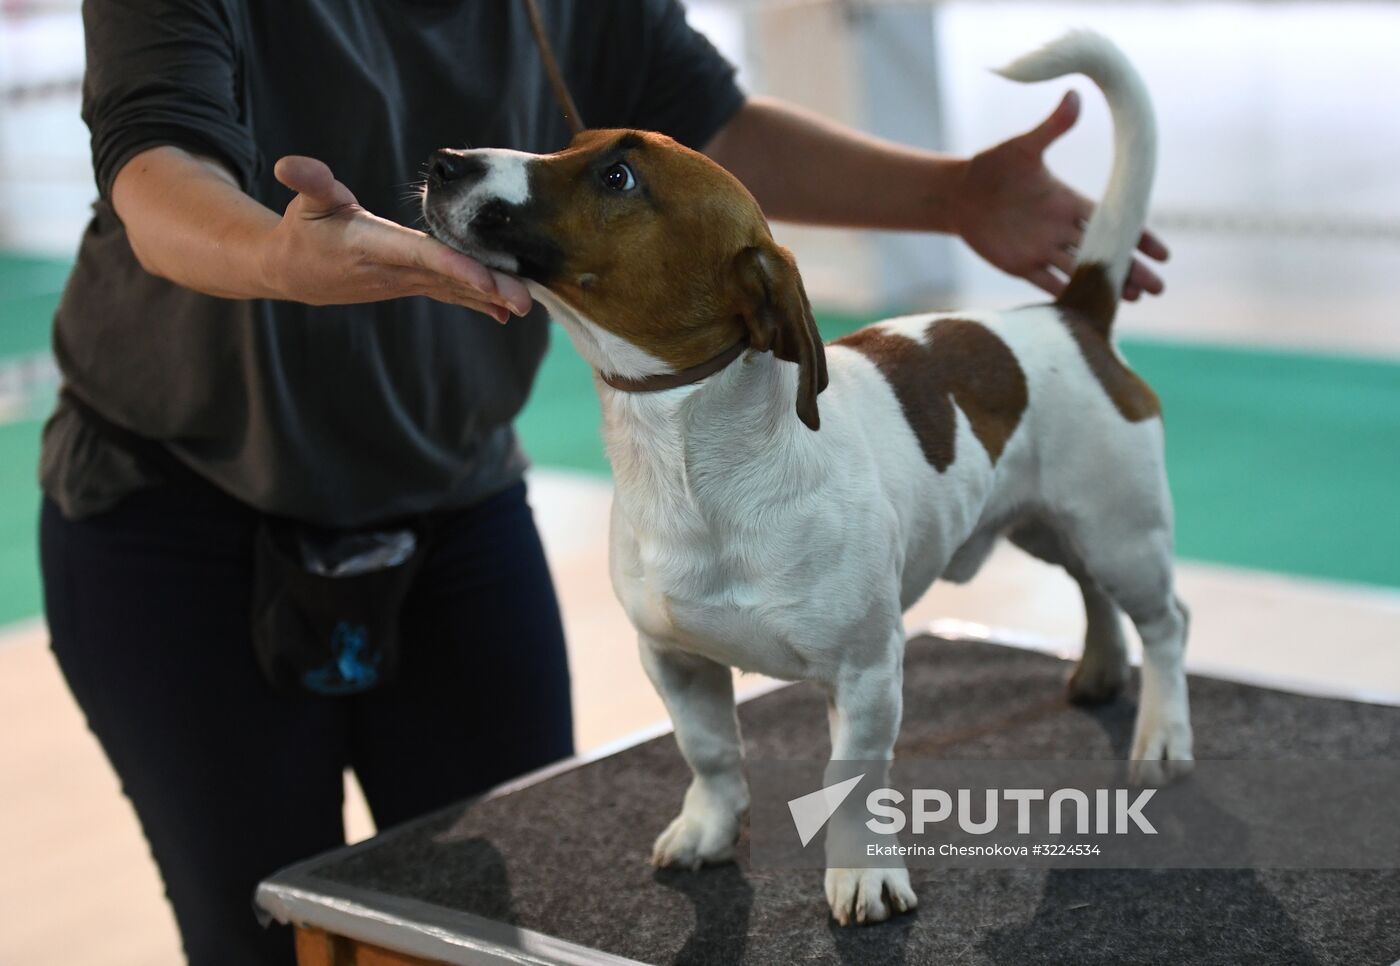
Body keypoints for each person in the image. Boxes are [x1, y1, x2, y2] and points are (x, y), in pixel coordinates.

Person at [40, 2, 1168, 963]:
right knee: (261, 931)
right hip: (177, 510)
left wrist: (952, 192)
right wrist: (278, 261)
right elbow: (154, 165)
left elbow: (697, 130)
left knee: (515, 915)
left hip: (454, 501)